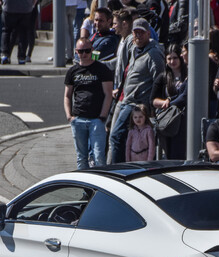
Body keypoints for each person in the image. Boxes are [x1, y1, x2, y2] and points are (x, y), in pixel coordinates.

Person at [108, 18, 164, 164]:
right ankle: (124, 165)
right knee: (128, 138)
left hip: (138, 104)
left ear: (148, 34)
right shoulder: (133, 48)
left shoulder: (154, 54)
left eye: (141, 33)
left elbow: (159, 80)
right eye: (135, 32)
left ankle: (117, 169)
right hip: (126, 100)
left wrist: (152, 107)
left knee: (116, 136)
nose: (138, 36)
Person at [64, 37, 114, 169]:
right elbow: (67, 95)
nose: (84, 54)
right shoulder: (72, 71)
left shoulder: (102, 69)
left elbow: (108, 94)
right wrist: (69, 116)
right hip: (78, 118)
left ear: (92, 50)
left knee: (98, 157)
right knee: (81, 157)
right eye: (81, 51)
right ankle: (85, 187)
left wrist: (102, 117)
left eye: (87, 51)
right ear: (76, 52)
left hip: (96, 119)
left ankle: (101, 184)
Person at [152, 44, 188, 159]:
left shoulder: (188, 75)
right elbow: (152, 99)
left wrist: (171, 102)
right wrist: (164, 103)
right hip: (169, 120)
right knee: (169, 152)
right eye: (169, 58)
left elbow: (184, 97)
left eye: (175, 58)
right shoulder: (163, 77)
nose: (172, 61)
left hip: (183, 118)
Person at [0, 0, 34, 65]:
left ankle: (5, 55)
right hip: (25, 8)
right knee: (23, 33)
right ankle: (21, 57)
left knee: (6, 31)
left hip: (9, 7)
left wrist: (2, 2)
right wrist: (32, 5)